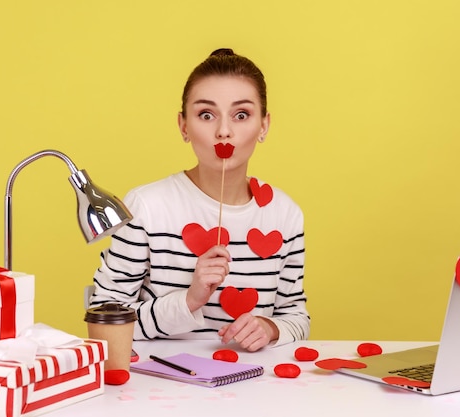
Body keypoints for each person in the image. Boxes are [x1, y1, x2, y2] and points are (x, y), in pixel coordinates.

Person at [90, 48, 309, 354]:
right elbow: (103, 321)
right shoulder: (147, 206)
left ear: (264, 126)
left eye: (241, 115)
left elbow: (296, 317)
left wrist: (270, 328)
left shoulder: (285, 215)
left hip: (256, 388)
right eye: (206, 115)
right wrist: (189, 300)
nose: (223, 131)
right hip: (161, 384)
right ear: (183, 126)